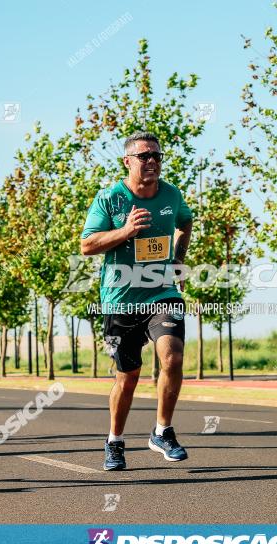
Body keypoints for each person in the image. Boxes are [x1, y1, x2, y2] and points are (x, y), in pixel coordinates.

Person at [81, 130, 193, 471]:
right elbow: (87, 245)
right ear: (127, 161)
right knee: (128, 377)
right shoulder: (110, 199)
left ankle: (162, 431)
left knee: (172, 358)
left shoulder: (171, 195)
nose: (152, 162)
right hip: (120, 300)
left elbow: (186, 223)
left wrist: (178, 258)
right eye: (145, 156)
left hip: (162, 294)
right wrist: (126, 231)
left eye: (157, 156)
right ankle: (114, 441)